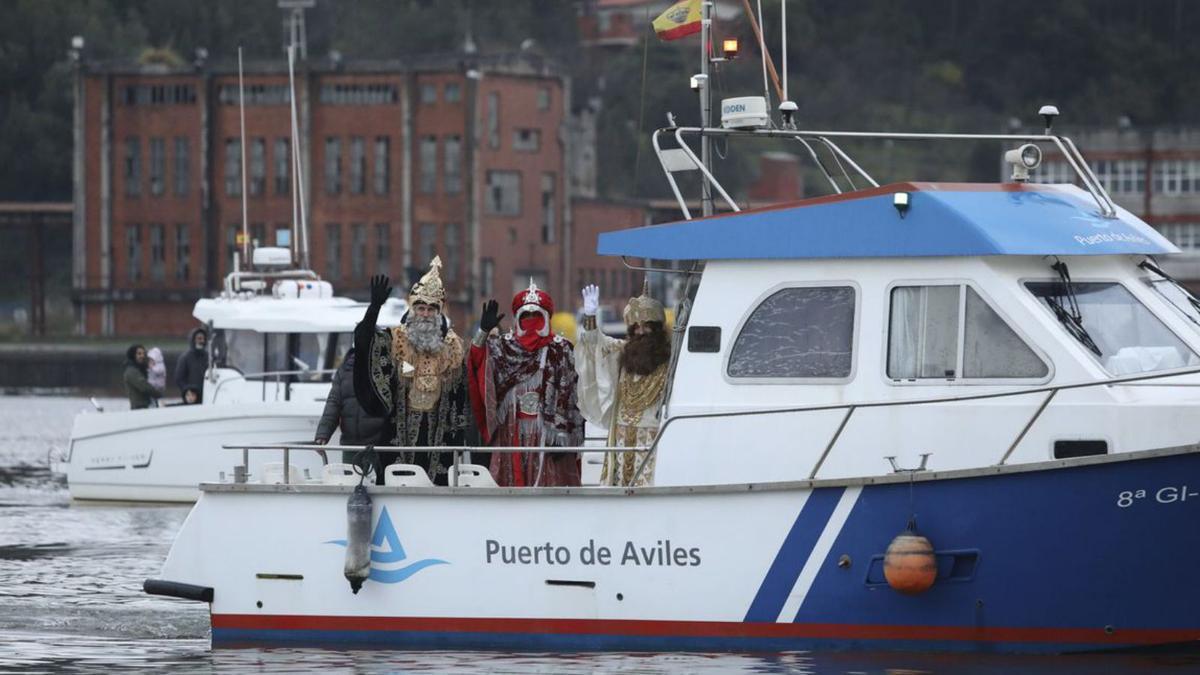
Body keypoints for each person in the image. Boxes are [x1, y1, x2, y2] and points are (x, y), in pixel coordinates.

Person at [353, 258, 469, 485]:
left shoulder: (452, 346)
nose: (425, 314)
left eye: (431, 309)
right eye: (420, 308)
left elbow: (460, 395)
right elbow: (363, 341)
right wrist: (374, 308)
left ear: (439, 312)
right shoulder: (396, 339)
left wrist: (459, 434)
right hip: (399, 432)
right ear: (412, 309)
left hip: (439, 437)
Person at [467, 281, 584, 487]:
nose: (531, 321)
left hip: (548, 435)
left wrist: (563, 434)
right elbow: (475, 363)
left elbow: (574, 395)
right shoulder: (503, 348)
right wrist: (483, 332)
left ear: (547, 318)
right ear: (517, 319)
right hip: (511, 431)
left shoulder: (561, 349)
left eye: (537, 317)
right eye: (526, 316)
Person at [576, 281, 672, 486]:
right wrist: (591, 317)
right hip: (620, 436)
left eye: (647, 326)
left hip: (652, 437)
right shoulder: (622, 352)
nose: (640, 332)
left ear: (657, 329)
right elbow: (595, 345)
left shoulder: (671, 360)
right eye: (636, 327)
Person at [314, 348, 387, 463]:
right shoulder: (343, 371)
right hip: (352, 444)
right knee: (352, 479)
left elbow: (333, 404)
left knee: (376, 479)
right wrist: (323, 434)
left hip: (379, 445)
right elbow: (333, 404)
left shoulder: (387, 368)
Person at [174, 327, 208, 404]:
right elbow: (179, 378)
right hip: (192, 398)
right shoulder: (185, 358)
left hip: (207, 396)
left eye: (203, 339)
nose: (202, 341)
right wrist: (188, 391)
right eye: (199, 339)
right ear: (193, 340)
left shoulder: (208, 357)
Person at [124, 344, 162, 410]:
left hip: (148, 406)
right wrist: (159, 394)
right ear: (133, 355)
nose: (142, 356)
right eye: (139, 354)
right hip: (140, 408)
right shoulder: (132, 371)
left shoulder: (142, 369)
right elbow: (144, 387)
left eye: (143, 353)